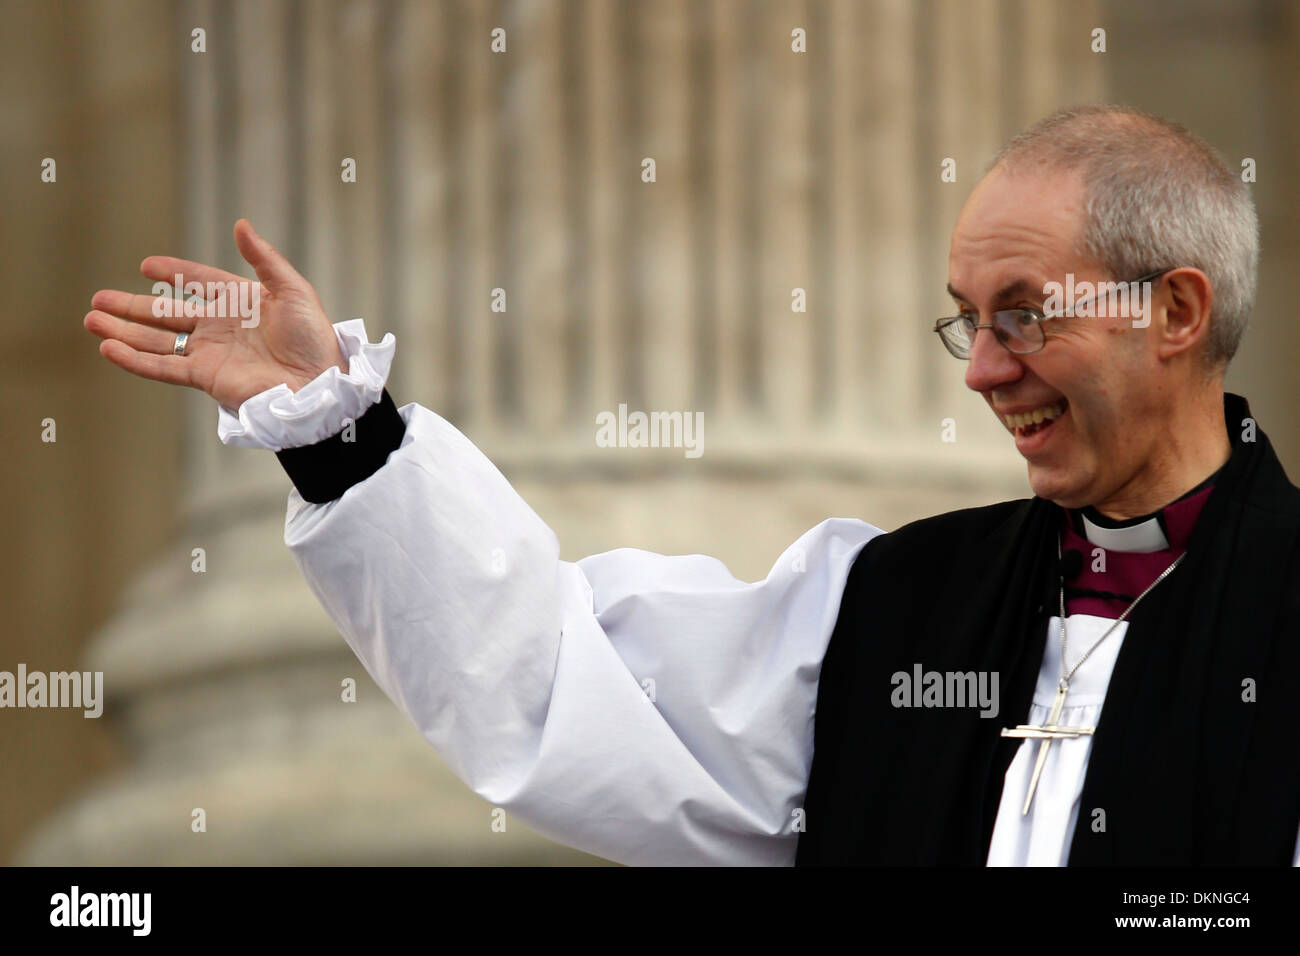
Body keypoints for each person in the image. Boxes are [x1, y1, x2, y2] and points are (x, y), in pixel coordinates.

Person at [84, 104, 1300, 866]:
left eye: (1024, 317)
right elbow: (559, 672)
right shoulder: (885, 606)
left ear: (1175, 312)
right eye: (965, 322)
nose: (983, 370)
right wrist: (338, 429)